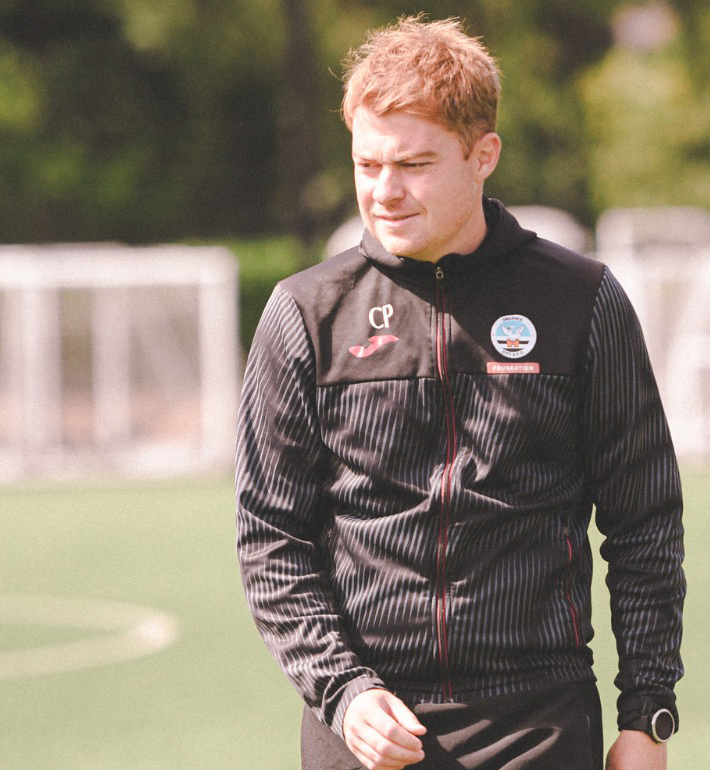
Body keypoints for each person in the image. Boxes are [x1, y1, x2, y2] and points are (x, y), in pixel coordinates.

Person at [236, 16, 685, 770]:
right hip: (368, 729)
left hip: (538, 723)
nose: (385, 191)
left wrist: (648, 714)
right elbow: (271, 538)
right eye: (367, 163)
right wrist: (343, 692)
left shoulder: (584, 301)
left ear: (484, 156)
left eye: (413, 164)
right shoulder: (303, 314)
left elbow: (644, 522)